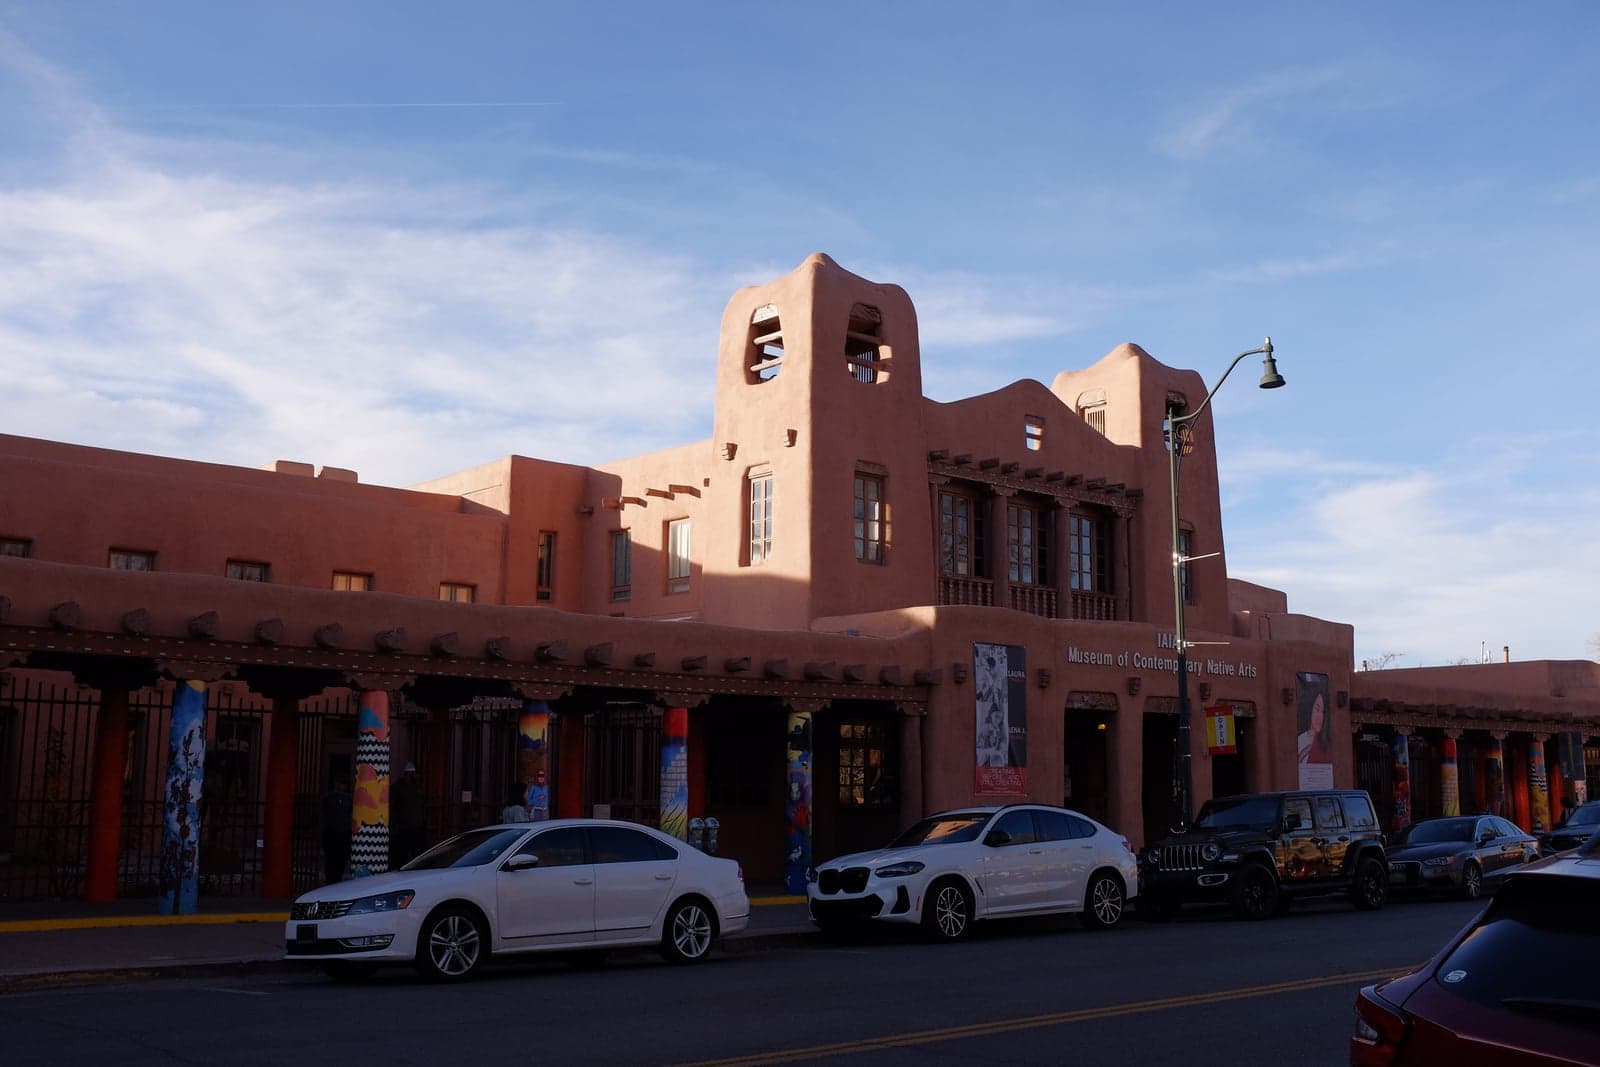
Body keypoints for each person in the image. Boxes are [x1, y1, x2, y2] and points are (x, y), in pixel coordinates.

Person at [390, 761, 427, 868]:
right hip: (403, 828)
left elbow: (421, 806)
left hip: (417, 827)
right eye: (411, 773)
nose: (413, 776)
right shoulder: (397, 788)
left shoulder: (417, 788)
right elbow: (393, 808)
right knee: (401, 856)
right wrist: (396, 826)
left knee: (418, 855)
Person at [320, 772, 352, 885]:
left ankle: (334, 880)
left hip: (341, 833)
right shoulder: (329, 797)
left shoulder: (348, 798)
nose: (342, 786)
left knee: (339, 860)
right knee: (332, 860)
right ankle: (331, 880)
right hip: (333, 832)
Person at [1296, 692, 1333, 764]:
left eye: (1323, 712)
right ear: (1309, 709)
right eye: (1317, 709)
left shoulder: (1327, 742)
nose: (1320, 717)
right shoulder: (1301, 740)